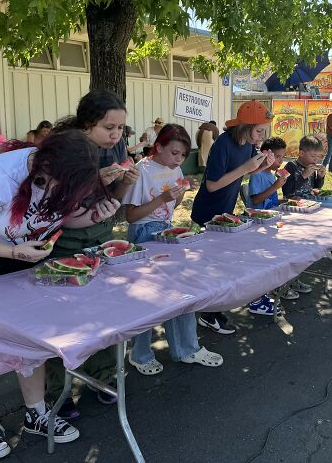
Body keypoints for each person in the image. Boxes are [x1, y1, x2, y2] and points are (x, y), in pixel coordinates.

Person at [0, 130, 119, 460]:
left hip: (21, 256)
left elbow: (62, 219)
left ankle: (36, 413)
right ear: (46, 167)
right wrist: (12, 253)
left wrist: (95, 215)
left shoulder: (62, 178)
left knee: (29, 339)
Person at [46, 90, 140, 419]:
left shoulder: (112, 147)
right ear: (87, 123)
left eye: (121, 129)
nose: (116, 136)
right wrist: (96, 178)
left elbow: (111, 199)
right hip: (66, 239)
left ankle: (102, 379)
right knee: (63, 322)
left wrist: (125, 183)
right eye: (109, 128)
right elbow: (57, 204)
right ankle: (55, 394)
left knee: (105, 313)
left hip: (100, 234)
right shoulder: (67, 147)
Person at [123, 123, 223, 374]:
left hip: (167, 231)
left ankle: (186, 348)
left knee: (181, 292)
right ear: (158, 147)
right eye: (174, 153)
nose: (178, 159)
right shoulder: (142, 171)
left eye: (182, 154)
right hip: (144, 235)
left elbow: (172, 205)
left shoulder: (173, 169)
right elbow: (131, 216)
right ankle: (140, 354)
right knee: (146, 297)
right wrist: (163, 199)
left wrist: (178, 195)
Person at [191, 100, 275, 334]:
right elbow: (212, 184)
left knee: (222, 265)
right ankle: (207, 314)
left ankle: (212, 312)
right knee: (211, 268)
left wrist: (261, 167)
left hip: (225, 213)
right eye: (259, 131)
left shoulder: (247, 145)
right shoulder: (223, 144)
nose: (261, 137)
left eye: (264, 132)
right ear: (245, 127)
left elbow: (244, 174)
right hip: (208, 213)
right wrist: (247, 167)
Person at [245, 136, 312, 315]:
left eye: (282, 157)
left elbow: (272, 200)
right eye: (278, 157)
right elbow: (256, 200)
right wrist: (275, 186)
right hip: (260, 225)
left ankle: (282, 284)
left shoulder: (271, 175)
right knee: (267, 261)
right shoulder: (258, 175)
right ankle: (267, 292)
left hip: (273, 221)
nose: (281, 161)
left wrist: (287, 199)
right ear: (266, 156)